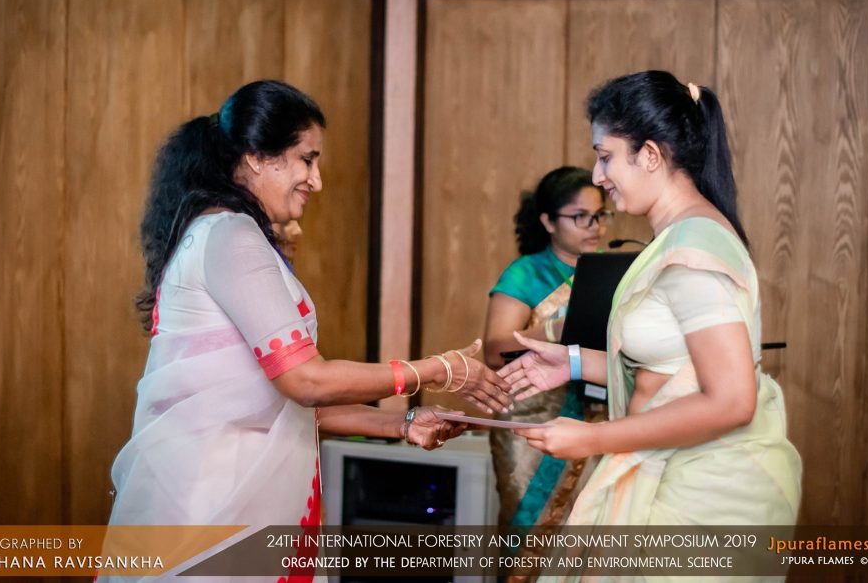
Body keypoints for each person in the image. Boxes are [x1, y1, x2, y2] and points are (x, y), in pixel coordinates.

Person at [107, 80, 511, 579]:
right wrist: (437, 369)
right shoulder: (233, 234)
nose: (316, 181)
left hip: (221, 486)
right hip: (217, 496)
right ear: (257, 157)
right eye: (307, 159)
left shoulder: (216, 230)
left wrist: (401, 424)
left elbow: (280, 400)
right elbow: (306, 381)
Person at [503, 71, 801, 577]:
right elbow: (669, 371)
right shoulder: (679, 235)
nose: (598, 175)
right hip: (676, 476)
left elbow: (732, 400)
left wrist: (593, 439)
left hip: (703, 494)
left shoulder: (694, 246)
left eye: (605, 156)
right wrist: (572, 362)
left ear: (650, 155)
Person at [483, 167, 612, 542]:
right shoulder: (526, 274)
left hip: (596, 421)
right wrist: (556, 328)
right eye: (581, 217)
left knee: (590, 539)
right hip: (533, 424)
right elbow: (494, 351)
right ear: (548, 221)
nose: (595, 227)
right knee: (532, 538)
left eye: (600, 215)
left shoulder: (608, 270)